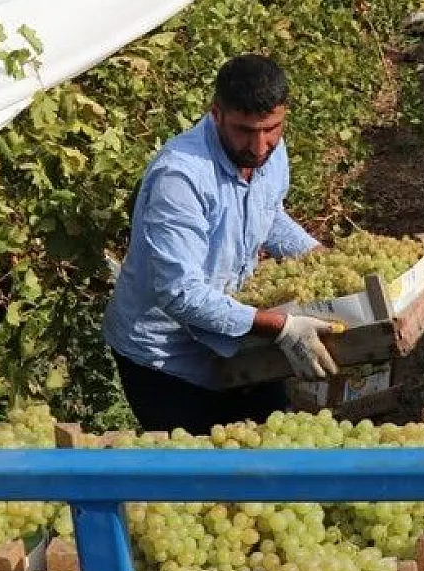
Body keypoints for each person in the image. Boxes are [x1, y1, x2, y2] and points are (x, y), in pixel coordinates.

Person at [104, 54, 338, 434]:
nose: (260, 147)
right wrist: (280, 328)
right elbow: (179, 292)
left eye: (271, 129)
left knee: (271, 440)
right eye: (245, 131)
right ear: (216, 114)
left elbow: (269, 215)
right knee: (207, 477)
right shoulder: (180, 178)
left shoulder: (270, 153)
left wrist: (318, 255)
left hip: (236, 339)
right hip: (168, 358)